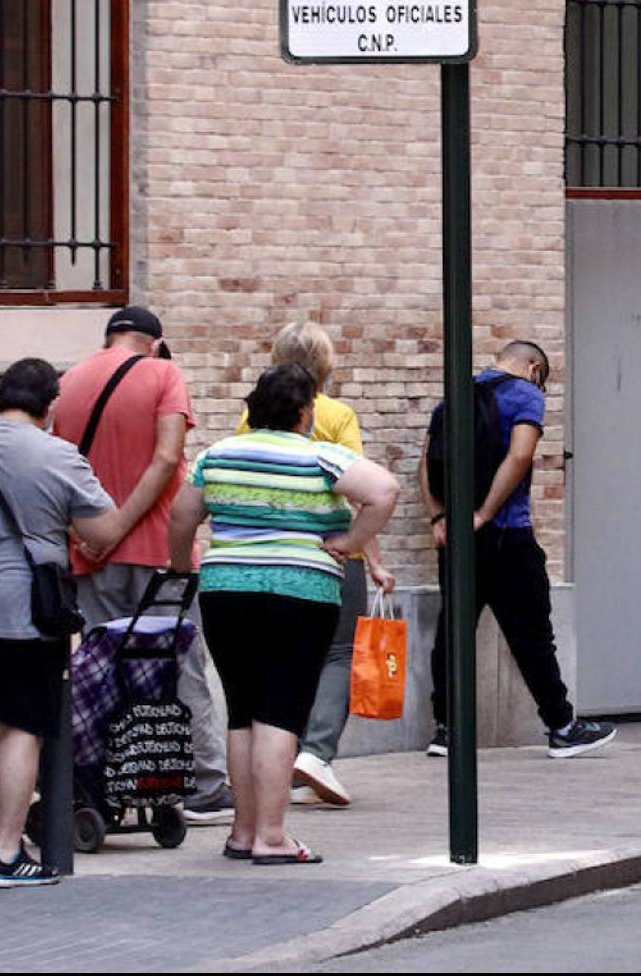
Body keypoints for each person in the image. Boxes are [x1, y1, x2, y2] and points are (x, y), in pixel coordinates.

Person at [169, 364, 400, 866]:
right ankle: (272, 837)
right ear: (303, 412)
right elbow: (384, 491)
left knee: (242, 712)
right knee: (281, 710)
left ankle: (242, 831)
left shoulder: (217, 455)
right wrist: (351, 542)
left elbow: (182, 515)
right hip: (301, 593)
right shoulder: (321, 455)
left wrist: (180, 563)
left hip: (226, 592)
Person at [0, 358, 130, 888]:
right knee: (21, 729)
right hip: (23, 609)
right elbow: (104, 530)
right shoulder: (58, 455)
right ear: (50, 405)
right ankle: (8, 854)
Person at [55, 305, 230, 823]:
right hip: (158, 552)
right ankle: (203, 786)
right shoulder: (163, 373)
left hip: (91, 555)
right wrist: (121, 524)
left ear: (109, 338)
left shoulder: (69, 381)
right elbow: (167, 457)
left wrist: (89, 534)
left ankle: (109, 785)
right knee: (180, 666)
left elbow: (56, 471)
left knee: (103, 669)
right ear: (154, 342)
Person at [421, 341, 617, 758]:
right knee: (532, 636)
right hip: (508, 535)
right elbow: (521, 453)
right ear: (534, 368)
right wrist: (485, 513)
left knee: (453, 631)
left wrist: (439, 518)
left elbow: (426, 463)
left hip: (457, 538)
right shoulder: (524, 393)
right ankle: (562, 726)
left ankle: (445, 730)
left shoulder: (454, 397)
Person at [237, 321, 395, 808]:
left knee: (280, 657)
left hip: (265, 554)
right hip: (331, 552)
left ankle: (283, 757)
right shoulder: (337, 414)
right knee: (340, 654)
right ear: (325, 366)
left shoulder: (251, 418)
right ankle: (317, 753)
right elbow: (361, 494)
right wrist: (371, 558)